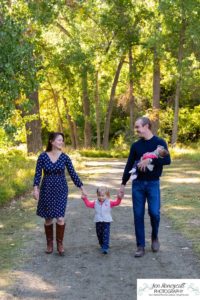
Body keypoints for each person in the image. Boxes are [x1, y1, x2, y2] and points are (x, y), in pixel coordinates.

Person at [119, 117, 171, 257]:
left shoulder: (160, 143)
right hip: (138, 185)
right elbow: (129, 165)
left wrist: (150, 158)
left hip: (153, 183)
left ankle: (154, 237)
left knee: (154, 213)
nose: (136, 130)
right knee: (138, 215)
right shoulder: (136, 146)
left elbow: (167, 160)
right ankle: (140, 246)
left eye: (138, 127)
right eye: (136, 127)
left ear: (147, 126)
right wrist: (123, 185)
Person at [33, 132, 87, 256]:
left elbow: (73, 174)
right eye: (59, 140)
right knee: (48, 218)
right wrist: (36, 189)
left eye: (62, 140)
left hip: (61, 190)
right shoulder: (42, 156)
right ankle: (49, 243)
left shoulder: (65, 157)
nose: (61, 142)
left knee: (60, 217)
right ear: (51, 141)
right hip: (46, 189)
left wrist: (81, 187)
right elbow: (37, 174)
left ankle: (60, 243)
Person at [81, 186, 123, 254]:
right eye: (99, 195)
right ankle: (101, 244)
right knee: (99, 234)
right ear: (97, 195)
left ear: (107, 195)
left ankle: (105, 247)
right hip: (98, 221)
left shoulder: (109, 203)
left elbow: (116, 203)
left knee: (106, 234)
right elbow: (88, 204)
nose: (101, 197)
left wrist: (119, 198)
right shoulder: (95, 203)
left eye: (103, 196)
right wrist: (84, 199)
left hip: (106, 221)